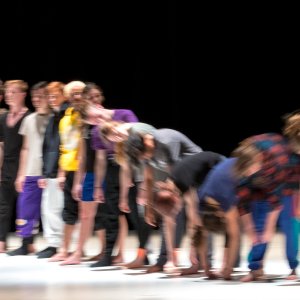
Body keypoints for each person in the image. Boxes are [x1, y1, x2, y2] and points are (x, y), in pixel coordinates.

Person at [125, 129, 202, 272]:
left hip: (196, 172)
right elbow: (148, 178)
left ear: (146, 143)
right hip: (178, 174)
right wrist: (149, 208)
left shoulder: (166, 141)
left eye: (144, 154)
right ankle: (169, 260)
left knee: (193, 214)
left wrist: (168, 188)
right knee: (168, 214)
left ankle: (198, 260)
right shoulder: (146, 150)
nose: (145, 158)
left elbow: (176, 173)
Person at [153, 151, 225, 275]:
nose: (176, 214)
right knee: (199, 220)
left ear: (175, 199)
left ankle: (216, 265)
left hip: (218, 166)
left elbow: (194, 220)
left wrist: (193, 250)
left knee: (206, 218)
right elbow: (168, 223)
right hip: (204, 176)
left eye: (175, 210)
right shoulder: (170, 187)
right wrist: (171, 260)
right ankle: (200, 264)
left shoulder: (182, 184)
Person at [7, 81, 51, 256]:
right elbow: (25, 148)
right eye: (35, 96)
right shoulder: (29, 119)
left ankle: (53, 245)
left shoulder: (54, 119)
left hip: (48, 173)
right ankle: (26, 243)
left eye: (41, 96)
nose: (37, 99)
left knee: (49, 211)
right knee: (25, 208)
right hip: (31, 171)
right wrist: (21, 174)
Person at [36, 81, 68, 259]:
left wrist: (61, 172)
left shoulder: (65, 114)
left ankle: (59, 245)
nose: (52, 99)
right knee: (48, 209)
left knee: (56, 209)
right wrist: (44, 172)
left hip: (59, 170)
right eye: (49, 96)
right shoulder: (53, 116)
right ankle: (54, 244)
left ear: (64, 95)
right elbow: (47, 147)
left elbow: (65, 146)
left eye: (55, 95)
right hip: (50, 170)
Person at [0, 80, 31, 253]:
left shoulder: (29, 117)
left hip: (25, 165)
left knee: (25, 205)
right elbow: (1, 145)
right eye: (8, 92)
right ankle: (1, 241)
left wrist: (22, 173)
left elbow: (28, 147)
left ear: (23, 94)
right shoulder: (3, 118)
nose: (9, 96)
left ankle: (27, 242)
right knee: (3, 205)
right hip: (7, 165)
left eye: (14, 92)